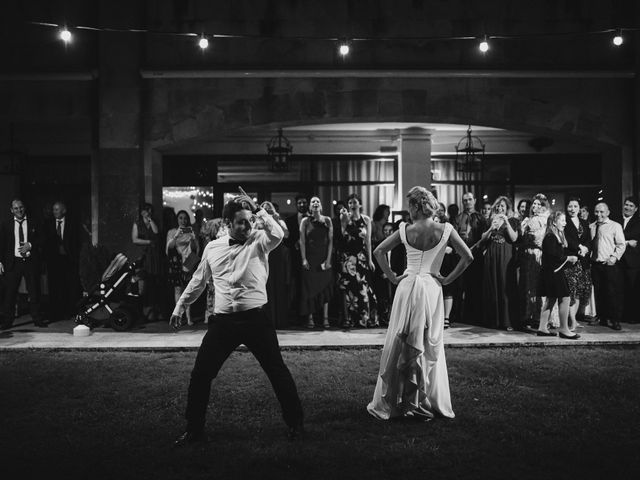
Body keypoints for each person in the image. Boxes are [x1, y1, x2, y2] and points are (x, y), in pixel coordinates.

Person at [171, 190, 303, 445]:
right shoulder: (212, 247)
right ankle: (194, 430)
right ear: (227, 224)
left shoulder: (260, 240)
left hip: (256, 320)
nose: (247, 226)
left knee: (277, 371)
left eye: (248, 221)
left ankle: (296, 424)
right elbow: (198, 281)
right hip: (223, 324)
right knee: (201, 375)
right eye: (241, 221)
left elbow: (277, 233)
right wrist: (180, 306)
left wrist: (260, 213)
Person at [367, 186, 473, 421]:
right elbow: (468, 257)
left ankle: (400, 401)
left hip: (407, 287)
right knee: (427, 344)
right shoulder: (445, 229)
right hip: (431, 288)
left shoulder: (406, 230)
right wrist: (446, 279)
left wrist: (394, 277)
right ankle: (423, 403)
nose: (409, 211)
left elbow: (378, 251)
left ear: (416, 206)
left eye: (410, 206)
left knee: (402, 342)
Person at [0, 199, 47, 329]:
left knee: (34, 291)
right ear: (11, 210)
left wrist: (30, 245)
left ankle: (37, 319)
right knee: (10, 293)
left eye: (20, 207)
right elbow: (2, 243)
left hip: (30, 262)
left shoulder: (34, 222)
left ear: (24, 208)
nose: (19, 210)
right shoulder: (6, 224)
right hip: (13, 263)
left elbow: (43, 239)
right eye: (15, 208)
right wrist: (0, 261)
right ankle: (7, 321)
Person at [477, 196, 520, 330]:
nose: (500, 208)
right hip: (491, 254)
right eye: (498, 206)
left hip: (506, 255)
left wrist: (506, 223)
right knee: (492, 285)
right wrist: (491, 228)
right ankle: (493, 320)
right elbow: (483, 239)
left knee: (504, 285)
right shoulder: (490, 220)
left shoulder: (513, 221)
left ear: (507, 208)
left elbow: (514, 238)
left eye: (503, 206)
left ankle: (507, 321)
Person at [537, 211, 580, 339]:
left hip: (552, 272)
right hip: (553, 273)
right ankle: (564, 329)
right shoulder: (550, 237)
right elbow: (553, 257)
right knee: (565, 298)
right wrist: (568, 258)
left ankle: (542, 328)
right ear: (554, 222)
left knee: (551, 299)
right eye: (562, 220)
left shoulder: (555, 236)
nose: (565, 223)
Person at [338, 193, 378, 328]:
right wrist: (344, 221)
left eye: (354, 202)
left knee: (363, 287)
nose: (352, 205)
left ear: (359, 204)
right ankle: (349, 319)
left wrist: (370, 260)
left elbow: (368, 242)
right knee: (349, 288)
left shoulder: (366, 220)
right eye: (350, 203)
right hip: (348, 258)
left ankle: (365, 319)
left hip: (361, 257)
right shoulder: (344, 217)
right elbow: (342, 236)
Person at [590, 202, 626, 331]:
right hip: (595, 264)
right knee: (599, 292)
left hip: (609, 264)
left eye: (601, 212)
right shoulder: (592, 226)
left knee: (612, 293)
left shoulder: (615, 226)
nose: (599, 214)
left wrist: (614, 257)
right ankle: (603, 318)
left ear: (608, 212)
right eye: (596, 211)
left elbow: (621, 244)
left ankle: (615, 320)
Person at [44, 201, 81, 322]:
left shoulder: (73, 223)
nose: (54, 212)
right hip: (54, 262)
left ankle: (69, 312)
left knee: (69, 286)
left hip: (69, 260)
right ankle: (55, 313)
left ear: (64, 211)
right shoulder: (48, 223)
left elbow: (77, 242)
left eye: (57, 210)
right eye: (54, 209)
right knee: (55, 287)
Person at [299, 196, 333, 329]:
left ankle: (325, 318)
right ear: (310, 207)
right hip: (311, 257)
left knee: (325, 286)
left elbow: (331, 241)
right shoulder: (305, 221)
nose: (315, 203)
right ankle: (311, 317)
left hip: (324, 257)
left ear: (321, 206)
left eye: (317, 201)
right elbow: (302, 241)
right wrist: (303, 258)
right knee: (310, 288)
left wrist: (328, 260)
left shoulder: (327, 220)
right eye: (312, 201)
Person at [455, 192, 486, 325]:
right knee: (461, 285)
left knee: (475, 286)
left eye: (469, 200)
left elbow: (484, 237)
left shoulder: (481, 218)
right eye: (465, 200)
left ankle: (475, 316)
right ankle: (459, 316)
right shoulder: (458, 218)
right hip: (462, 255)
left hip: (476, 255)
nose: (467, 202)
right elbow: (454, 236)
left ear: (475, 200)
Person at [520, 194, 549, 329]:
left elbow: (541, 238)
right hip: (528, 254)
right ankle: (530, 314)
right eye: (534, 204)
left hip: (538, 254)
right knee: (529, 286)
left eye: (539, 204)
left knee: (538, 286)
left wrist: (533, 237)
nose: (536, 206)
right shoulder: (529, 219)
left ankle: (539, 316)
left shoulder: (543, 220)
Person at [166, 210, 200, 326]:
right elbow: (169, 248)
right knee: (177, 290)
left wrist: (194, 238)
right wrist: (175, 236)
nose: (183, 220)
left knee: (188, 290)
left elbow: (196, 249)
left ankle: (189, 317)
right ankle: (178, 317)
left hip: (188, 261)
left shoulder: (190, 231)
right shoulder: (172, 232)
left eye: (185, 218)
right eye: (180, 218)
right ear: (177, 219)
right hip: (176, 262)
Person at [261, 201, 292, 329]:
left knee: (278, 285)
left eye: (269, 209)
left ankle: (279, 320)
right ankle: (266, 320)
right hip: (265, 253)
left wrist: (276, 220)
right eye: (264, 209)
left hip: (278, 255)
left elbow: (286, 234)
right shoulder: (258, 222)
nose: (267, 211)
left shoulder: (278, 220)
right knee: (265, 286)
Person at [564, 197, 592, 330]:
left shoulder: (584, 222)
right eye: (570, 206)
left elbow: (589, 240)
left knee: (579, 291)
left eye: (575, 206)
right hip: (571, 260)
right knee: (571, 291)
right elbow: (566, 239)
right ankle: (572, 321)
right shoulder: (564, 221)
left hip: (583, 261)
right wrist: (579, 247)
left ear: (579, 208)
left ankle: (574, 318)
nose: (573, 209)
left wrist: (585, 249)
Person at [132, 203, 162, 320]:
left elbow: (156, 232)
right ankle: (142, 312)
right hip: (143, 255)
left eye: (150, 211)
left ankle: (153, 312)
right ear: (142, 212)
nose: (148, 213)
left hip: (154, 256)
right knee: (143, 284)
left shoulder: (153, 222)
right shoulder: (137, 224)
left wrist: (150, 220)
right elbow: (135, 239)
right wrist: (148, 242)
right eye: (146, 211)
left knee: (154, 284)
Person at [284, 195, 309, 323]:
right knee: (297, 286)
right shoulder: (290, 220)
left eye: (304, 202)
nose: (302, 205)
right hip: (295, 257)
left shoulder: (313, 218)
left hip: (311, 256)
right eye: (299, 203)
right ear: (296, 205)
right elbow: (285, 240)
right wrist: (294, 243)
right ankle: (298, 314)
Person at [620, 196, 640, 323]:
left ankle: (633, 317)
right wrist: (627, 242)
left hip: (633, 262)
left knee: (633, 290)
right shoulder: (616, 220)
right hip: (618, 260)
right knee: (619, 289)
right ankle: (620, 316)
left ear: (636, 209)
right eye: (626, 204)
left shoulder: (639, 222)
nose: (627, 207)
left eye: (631, 206)